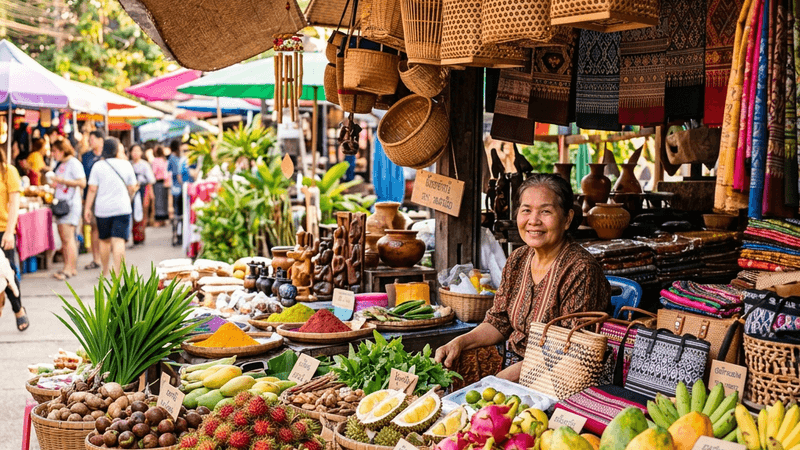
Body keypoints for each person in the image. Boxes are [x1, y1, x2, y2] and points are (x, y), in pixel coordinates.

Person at [434, 174, 611, 382]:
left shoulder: (581, 269)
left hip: (560, 376)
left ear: (567, 219)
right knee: (449, 367)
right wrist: (459, 342)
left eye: (546, 211)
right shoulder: (519, 259)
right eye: (526, 210)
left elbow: (567, 351)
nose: (533, 221)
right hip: (514, 362)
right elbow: (498, 321)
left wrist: (498, 381)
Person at [83, 138, 137, 277]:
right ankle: (118, 275)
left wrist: (87, 208)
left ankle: (105, 272)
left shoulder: (98, 166)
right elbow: (132, 187)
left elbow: (92, 189)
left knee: (104, 241)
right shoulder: (126, 165)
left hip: (103, 210)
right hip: (122, 208)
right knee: (118, 241)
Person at [0, 138, 26, 331]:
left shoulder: (8, 172)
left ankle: (18, 309)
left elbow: (15, 204)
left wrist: (10, 232)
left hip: (3, 230)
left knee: (7, 274)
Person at [50, 140, 86, 280]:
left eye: (55, 151)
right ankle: (69, 266)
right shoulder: (61, 164)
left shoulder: (74, 163)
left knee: (68, 237)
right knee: (65, 238)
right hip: (61, 203)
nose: (53, 154)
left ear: (62, 150)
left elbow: (82, 182)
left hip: (70, 205)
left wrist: (62, 181)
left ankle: (69, 269)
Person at [81, 130, 105, 270]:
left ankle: (106, 257)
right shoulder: (85, 157)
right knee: (94, 228)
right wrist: (86, 202)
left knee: (106, 229)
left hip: (106, 195)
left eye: (93, 139)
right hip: (91, 196)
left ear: (101, 140)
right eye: (89, 139)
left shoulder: (108, 155)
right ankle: (96, 259)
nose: (90, 142)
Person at [129, 144, 155, 244]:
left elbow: (151, 179)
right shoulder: (128, 164)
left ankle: (140, 236)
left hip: (142, 191)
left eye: (137, 151)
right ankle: (133, 236)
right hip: (131, 192)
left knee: (143, 213)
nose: (135, 153)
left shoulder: (144, 165)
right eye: (133, 151)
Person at [151, 145, 170, 226]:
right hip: (165, 183)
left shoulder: (155, 161)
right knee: (164, 201)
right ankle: (164, 219)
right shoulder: (164, 160)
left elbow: (153, 172)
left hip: (158, 182)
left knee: (158, 202)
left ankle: (158, 220)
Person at [167, 139, 183, 219]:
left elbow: (169, 171)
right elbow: (178, 173)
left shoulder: (171, 157)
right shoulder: (176, 157)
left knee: (177, 209)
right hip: (180, 186)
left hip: (175, 187)